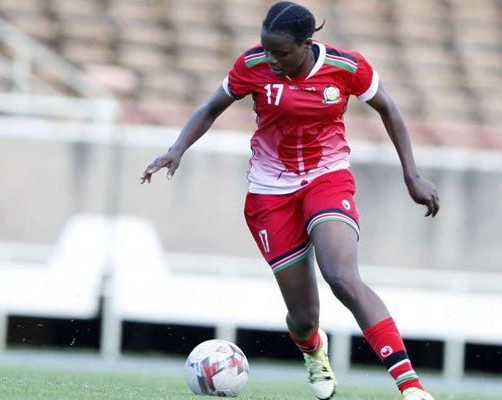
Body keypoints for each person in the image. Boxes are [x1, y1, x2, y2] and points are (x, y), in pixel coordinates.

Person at [141, 2, 440, 399]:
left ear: (306, 44)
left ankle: (410, 385)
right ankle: (315, 351)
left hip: (326, 178)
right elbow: (211, 108)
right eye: (266, 50)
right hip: (270, 192)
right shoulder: (252, 66)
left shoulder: (346, 67)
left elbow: (389, 108)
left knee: (341, 276)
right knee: (303, 318)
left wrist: (411, 174)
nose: (271, 59)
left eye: (280, 52)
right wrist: (176, 149)